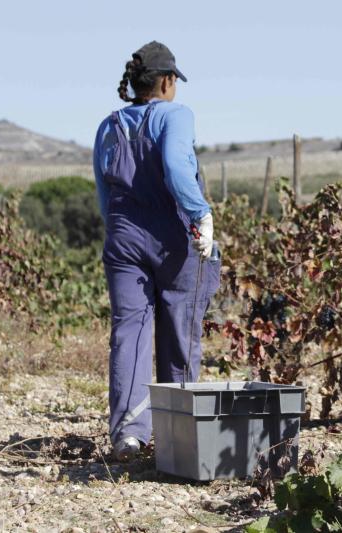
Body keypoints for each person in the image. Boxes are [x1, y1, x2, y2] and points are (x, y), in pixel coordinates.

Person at [93, 41, 220, 461]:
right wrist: (201, 214)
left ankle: (128, 435)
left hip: (123, 238)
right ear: (167, 82)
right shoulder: (175, 116)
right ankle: (178, 435)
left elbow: (102, 191)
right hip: (171, 240)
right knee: (180, 331)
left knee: (129, 331)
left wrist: (120, 234)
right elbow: (175, 164)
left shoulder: (109, 126)